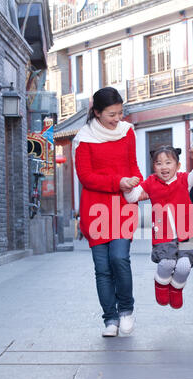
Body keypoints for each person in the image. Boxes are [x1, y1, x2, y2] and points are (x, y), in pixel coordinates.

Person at [74, 87, 143, 337]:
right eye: (112, 114)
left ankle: (126, 310)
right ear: (97, 113)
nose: (117, 119)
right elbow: (86, 177)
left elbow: (134, 166)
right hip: (95, 210)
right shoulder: (83, 139)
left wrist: (136, 181)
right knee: (102, 267)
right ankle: (110, 319)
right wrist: (117, 182)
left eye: (120, 113)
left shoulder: (127, 132)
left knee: (119, 259)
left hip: (122, 207)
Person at [124, 146, 193, 309]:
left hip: (187, 230)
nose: (164, 167)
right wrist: (128, 184)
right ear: (154, 167)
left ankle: (176, 289)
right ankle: (160, 284)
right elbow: (132, 197)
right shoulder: (151, 182)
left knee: (184, 265)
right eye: (159, 163)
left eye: (168, 162)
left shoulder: (184, 179)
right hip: (163, 233)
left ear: (178, 165)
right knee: (166, 264)